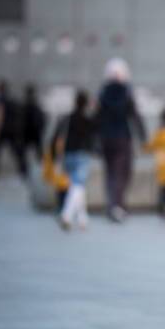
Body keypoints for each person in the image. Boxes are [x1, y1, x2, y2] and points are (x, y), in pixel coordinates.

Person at [95, 58, 147, 223]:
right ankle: (117, 206)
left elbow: (97, 118)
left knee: (110, 173)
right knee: (123, 172)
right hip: (123, 138)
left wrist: (94, 141)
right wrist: (142, 136)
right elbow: (135, 116)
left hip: (106, 139)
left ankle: (113, 205)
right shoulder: (126, 92)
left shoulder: (102, 93)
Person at [52, 90, 97, 230]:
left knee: (77, 186)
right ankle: (66, 215)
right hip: (82, 156)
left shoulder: (67, 118)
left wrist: (54, 156)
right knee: (77, 186)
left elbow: (56, 136)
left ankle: (83, 218)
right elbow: (96, 132)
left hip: (67, 155)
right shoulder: (87, 119)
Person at [0, 80, 27, 181]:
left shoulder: (0, 98)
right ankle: (24, 172)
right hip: (12, 130)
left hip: (3, 130)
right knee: (17, 152)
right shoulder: (10, 98)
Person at [21, 84, 46, 163]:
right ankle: (40, 165)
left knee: (24, 152)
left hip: (27, 131)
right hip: (35, 131)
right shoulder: (36, 104)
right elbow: (42, 118)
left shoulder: (25, 105)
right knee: (39, 151)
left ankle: (24, 168)